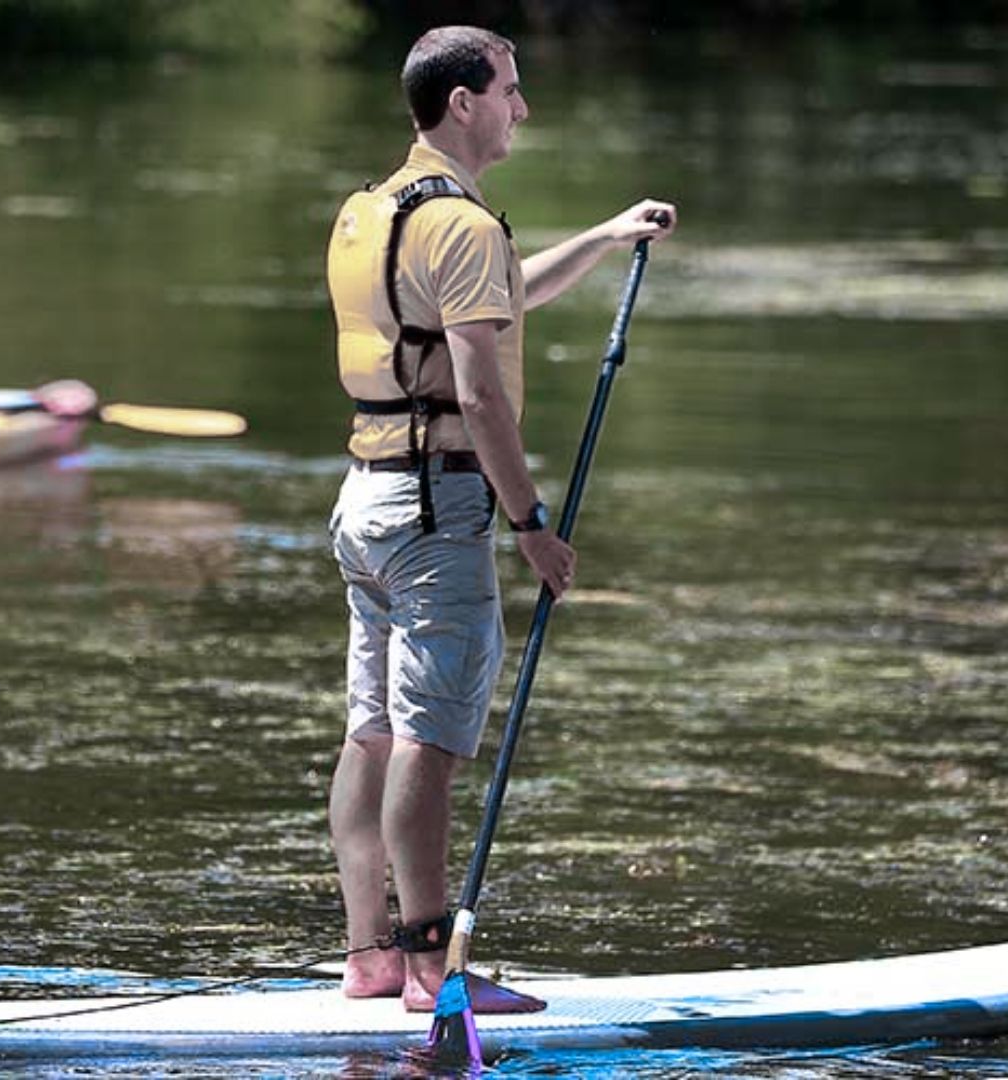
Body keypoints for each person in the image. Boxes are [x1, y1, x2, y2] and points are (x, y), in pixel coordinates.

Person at [324, 25, 677, 1011]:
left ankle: (369, 957)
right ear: (465, 102)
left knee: (375, 732)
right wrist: (530, 523)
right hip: (439, 506)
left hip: (368, 499)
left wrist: (607, 238)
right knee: (430, 741)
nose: (522, 107)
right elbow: (480, 397)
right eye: (511, 91)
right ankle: (434, 969)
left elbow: (501, 300)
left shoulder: (372, 212)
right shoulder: (464, 226)